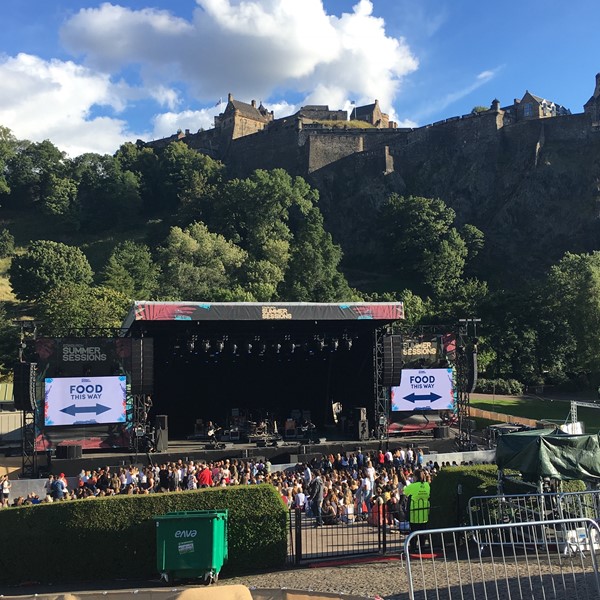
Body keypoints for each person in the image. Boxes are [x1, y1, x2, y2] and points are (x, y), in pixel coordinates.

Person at [403, 469, 431, 553]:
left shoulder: (413, 486)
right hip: (424, 512)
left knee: (413, 533)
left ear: (415, 477)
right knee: (423, 532)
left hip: (414, 513)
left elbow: (405, 492)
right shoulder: (427, 485)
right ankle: (422, 547)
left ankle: (413, 548)